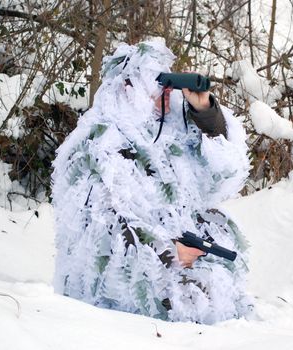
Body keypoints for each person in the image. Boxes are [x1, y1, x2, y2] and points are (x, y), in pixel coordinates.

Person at [51, 39, 251, 324]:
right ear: (127, 86)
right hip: (118, 292)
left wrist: (205, 111)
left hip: (172, 263)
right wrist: (169, 250)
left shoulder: (164, 136)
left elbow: (224, 176)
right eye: (155, 85)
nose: (163, 95)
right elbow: (101, 223)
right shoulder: (97, 141)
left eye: (166, 85)